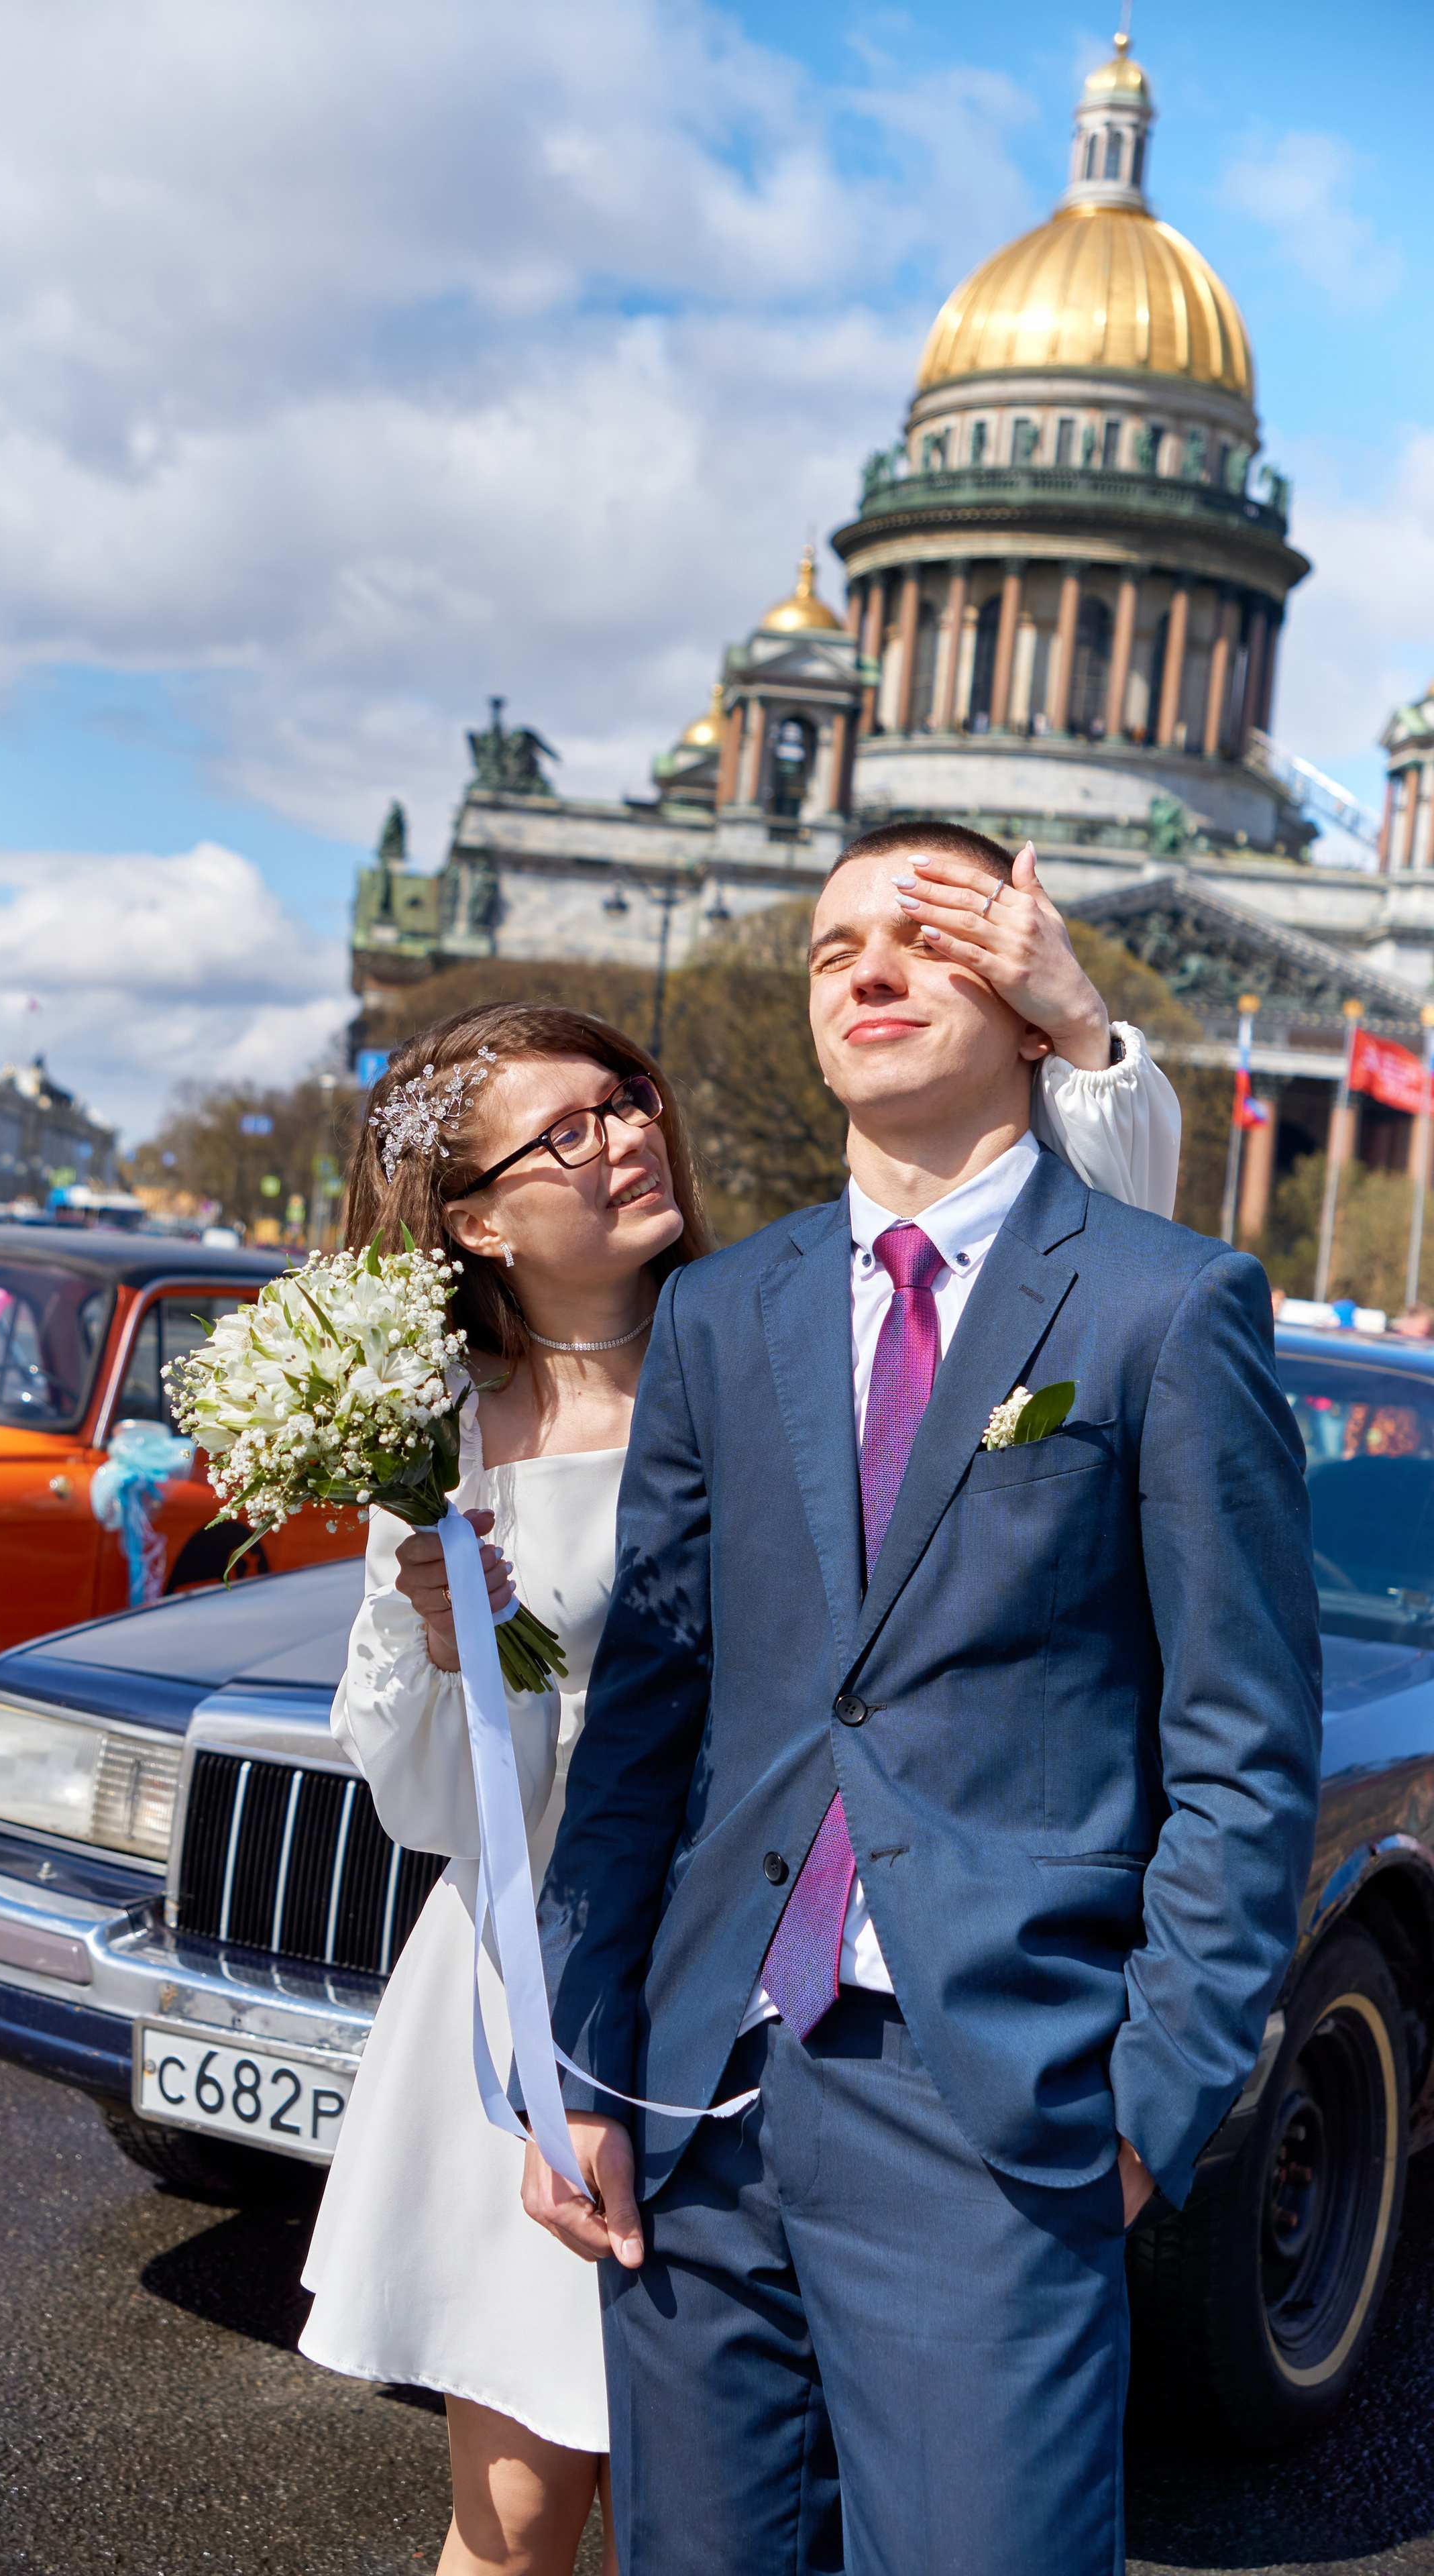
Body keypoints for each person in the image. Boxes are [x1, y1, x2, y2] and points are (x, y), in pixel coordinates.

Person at [300, 830, 1184, 2576]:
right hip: (557, 1982)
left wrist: (1076, 1026)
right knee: (522, 2514)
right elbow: (438, 1791)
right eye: (567, 1134)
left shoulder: (787, 1323)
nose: (627, 1137)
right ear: (475, 1219)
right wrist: (443, 1645)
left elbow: (1099, 1234)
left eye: (628, 1101)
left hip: (801, 1997)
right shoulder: (440, 1428)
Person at [525, 820, 1324, 2576]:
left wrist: (1149, 2102)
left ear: (1031, 1005)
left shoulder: (1167, 1309)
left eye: (925, 937)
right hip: (698, 2098)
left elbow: (1245, 1752)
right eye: (833, 951)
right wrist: (579, 2049)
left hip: (993, 2112)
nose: (868, 971)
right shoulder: (722, 1313)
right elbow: (648, 1716)